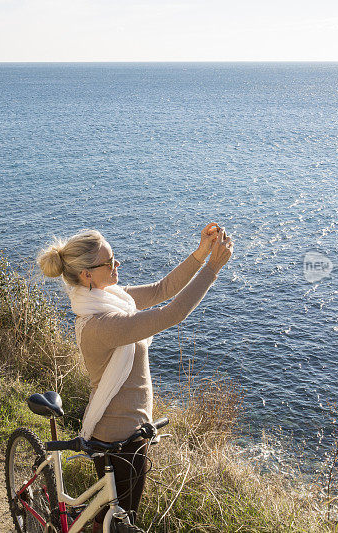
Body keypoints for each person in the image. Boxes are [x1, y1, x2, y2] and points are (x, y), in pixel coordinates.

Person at [37, 223, 233, 531]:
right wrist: (211, 269)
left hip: (134, 430)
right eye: (110, 261)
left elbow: (161, 291)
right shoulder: (102, 323)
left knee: (114, 520)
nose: (118, 264)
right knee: (123, 521)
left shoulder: (111, 298)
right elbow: (170, 314)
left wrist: (200, 253)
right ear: (87, 274)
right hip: (118, 438)